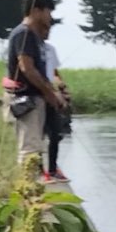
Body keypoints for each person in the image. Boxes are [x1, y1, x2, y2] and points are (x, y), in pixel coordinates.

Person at [1, 0, 65, 172]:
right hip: (26, 99)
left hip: (33, 99)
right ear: (36, 11)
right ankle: (28, 194)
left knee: (35, 147)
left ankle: (33, 191)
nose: (50, 18)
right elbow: (27, 68)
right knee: (29, 149)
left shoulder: (33, 36)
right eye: (48, 12)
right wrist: (49, 93)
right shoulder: (25, 34)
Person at [39, 31, 72, 182]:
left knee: (56, 133)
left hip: (52, 96)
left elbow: (55, 72)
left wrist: (62, 86)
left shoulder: (50, 49)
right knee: (37, 134)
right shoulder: (30, 48)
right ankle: (39, 170)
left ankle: (52, 169)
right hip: (37, 96)